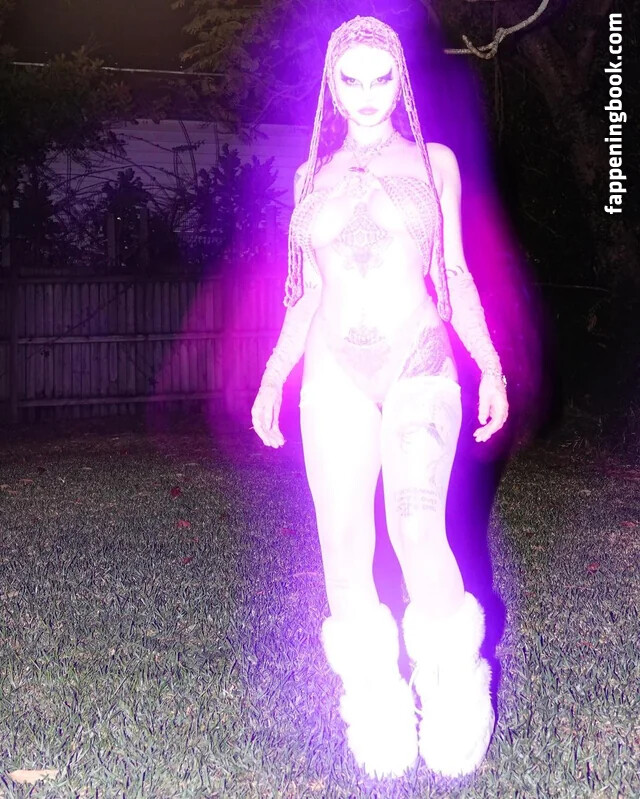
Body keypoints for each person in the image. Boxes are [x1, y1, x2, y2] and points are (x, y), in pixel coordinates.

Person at [250, 15, 508, 781]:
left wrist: (489, 364)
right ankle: (376, 704)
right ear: (332, 86)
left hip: (418, 362)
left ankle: (455, 688)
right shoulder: (310, 175)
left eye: (381, 77)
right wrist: (274, 374)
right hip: (332, 374)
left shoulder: (435, 162)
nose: (366, 94)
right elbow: (306, 291)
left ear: (401, 82)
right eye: (351, 79)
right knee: (342, 548)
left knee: (417, 526)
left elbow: (452, 272)